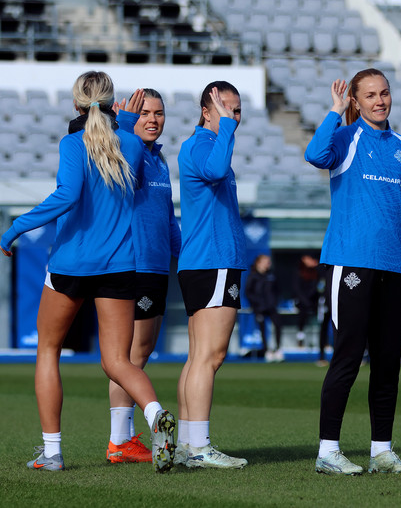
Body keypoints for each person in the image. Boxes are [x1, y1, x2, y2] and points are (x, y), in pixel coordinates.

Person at [0, 71, 175, 473]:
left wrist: (14, 228)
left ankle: (52, 453)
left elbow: (68, 194)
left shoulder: (71, 143)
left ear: (76, 104)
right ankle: (155, 415)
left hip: (71, 263)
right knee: (117, 361)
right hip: (119, 265)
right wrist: (124, 126)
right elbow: (125, 175)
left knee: (48, 350)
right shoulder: (132, 143)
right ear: (114, 103)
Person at [306, 69, 401, 476]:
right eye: (371, 95)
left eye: (385, 93)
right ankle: (328, 451)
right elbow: (314, 155)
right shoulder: (344, 138)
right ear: (356, 101)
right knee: (347, 357)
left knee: (387, 363)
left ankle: (382, 451)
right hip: (351, 263)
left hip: (395, 268)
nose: (380, 101)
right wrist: (334, 111)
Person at [106, 89, 181, 463]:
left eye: (159, 113)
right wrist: (124, 130)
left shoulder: (160, 158)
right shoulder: (126, 151)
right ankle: (120, 440)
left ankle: (122, 440)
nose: (153, 119)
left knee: (142, 351)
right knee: (129, 354)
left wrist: (183, 256)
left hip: (157, 265)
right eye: (145, 113)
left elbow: (168, 217)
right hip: (132, 264)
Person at [175, 81, 248, 469]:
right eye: (224, 108)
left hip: (207, 261)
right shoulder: (205, 145)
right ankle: (199, 447)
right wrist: (226, 129)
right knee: (209, 356)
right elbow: (217, 170)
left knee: (198, 357)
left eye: (236, 109)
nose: (233, 116)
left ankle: (187, 444)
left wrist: (226, 129)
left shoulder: (205, 143)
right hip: (213, 260)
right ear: (206, 112)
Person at [245, 253, 284, 362]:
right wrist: (257, 303)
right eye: (266, 262)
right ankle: (266, 350)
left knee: (278, 325)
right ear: (259, 263)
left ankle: (278, 349)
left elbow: (277, 290)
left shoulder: (271, 276)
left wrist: (275, 301)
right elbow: (248, 292)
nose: (268, 264)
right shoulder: (253, 276)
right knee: (262, 329)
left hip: (271, 307)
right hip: (259, 308)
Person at [294, 253, 321, 349]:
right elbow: (297, 289)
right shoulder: (299, 273)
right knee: (302, 315)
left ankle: (323, 341)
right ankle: (300, 338)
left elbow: (317, 287)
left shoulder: (316, 272)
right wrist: (305, 301)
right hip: (302, 302)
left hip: (314, 301)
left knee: (322, 316)